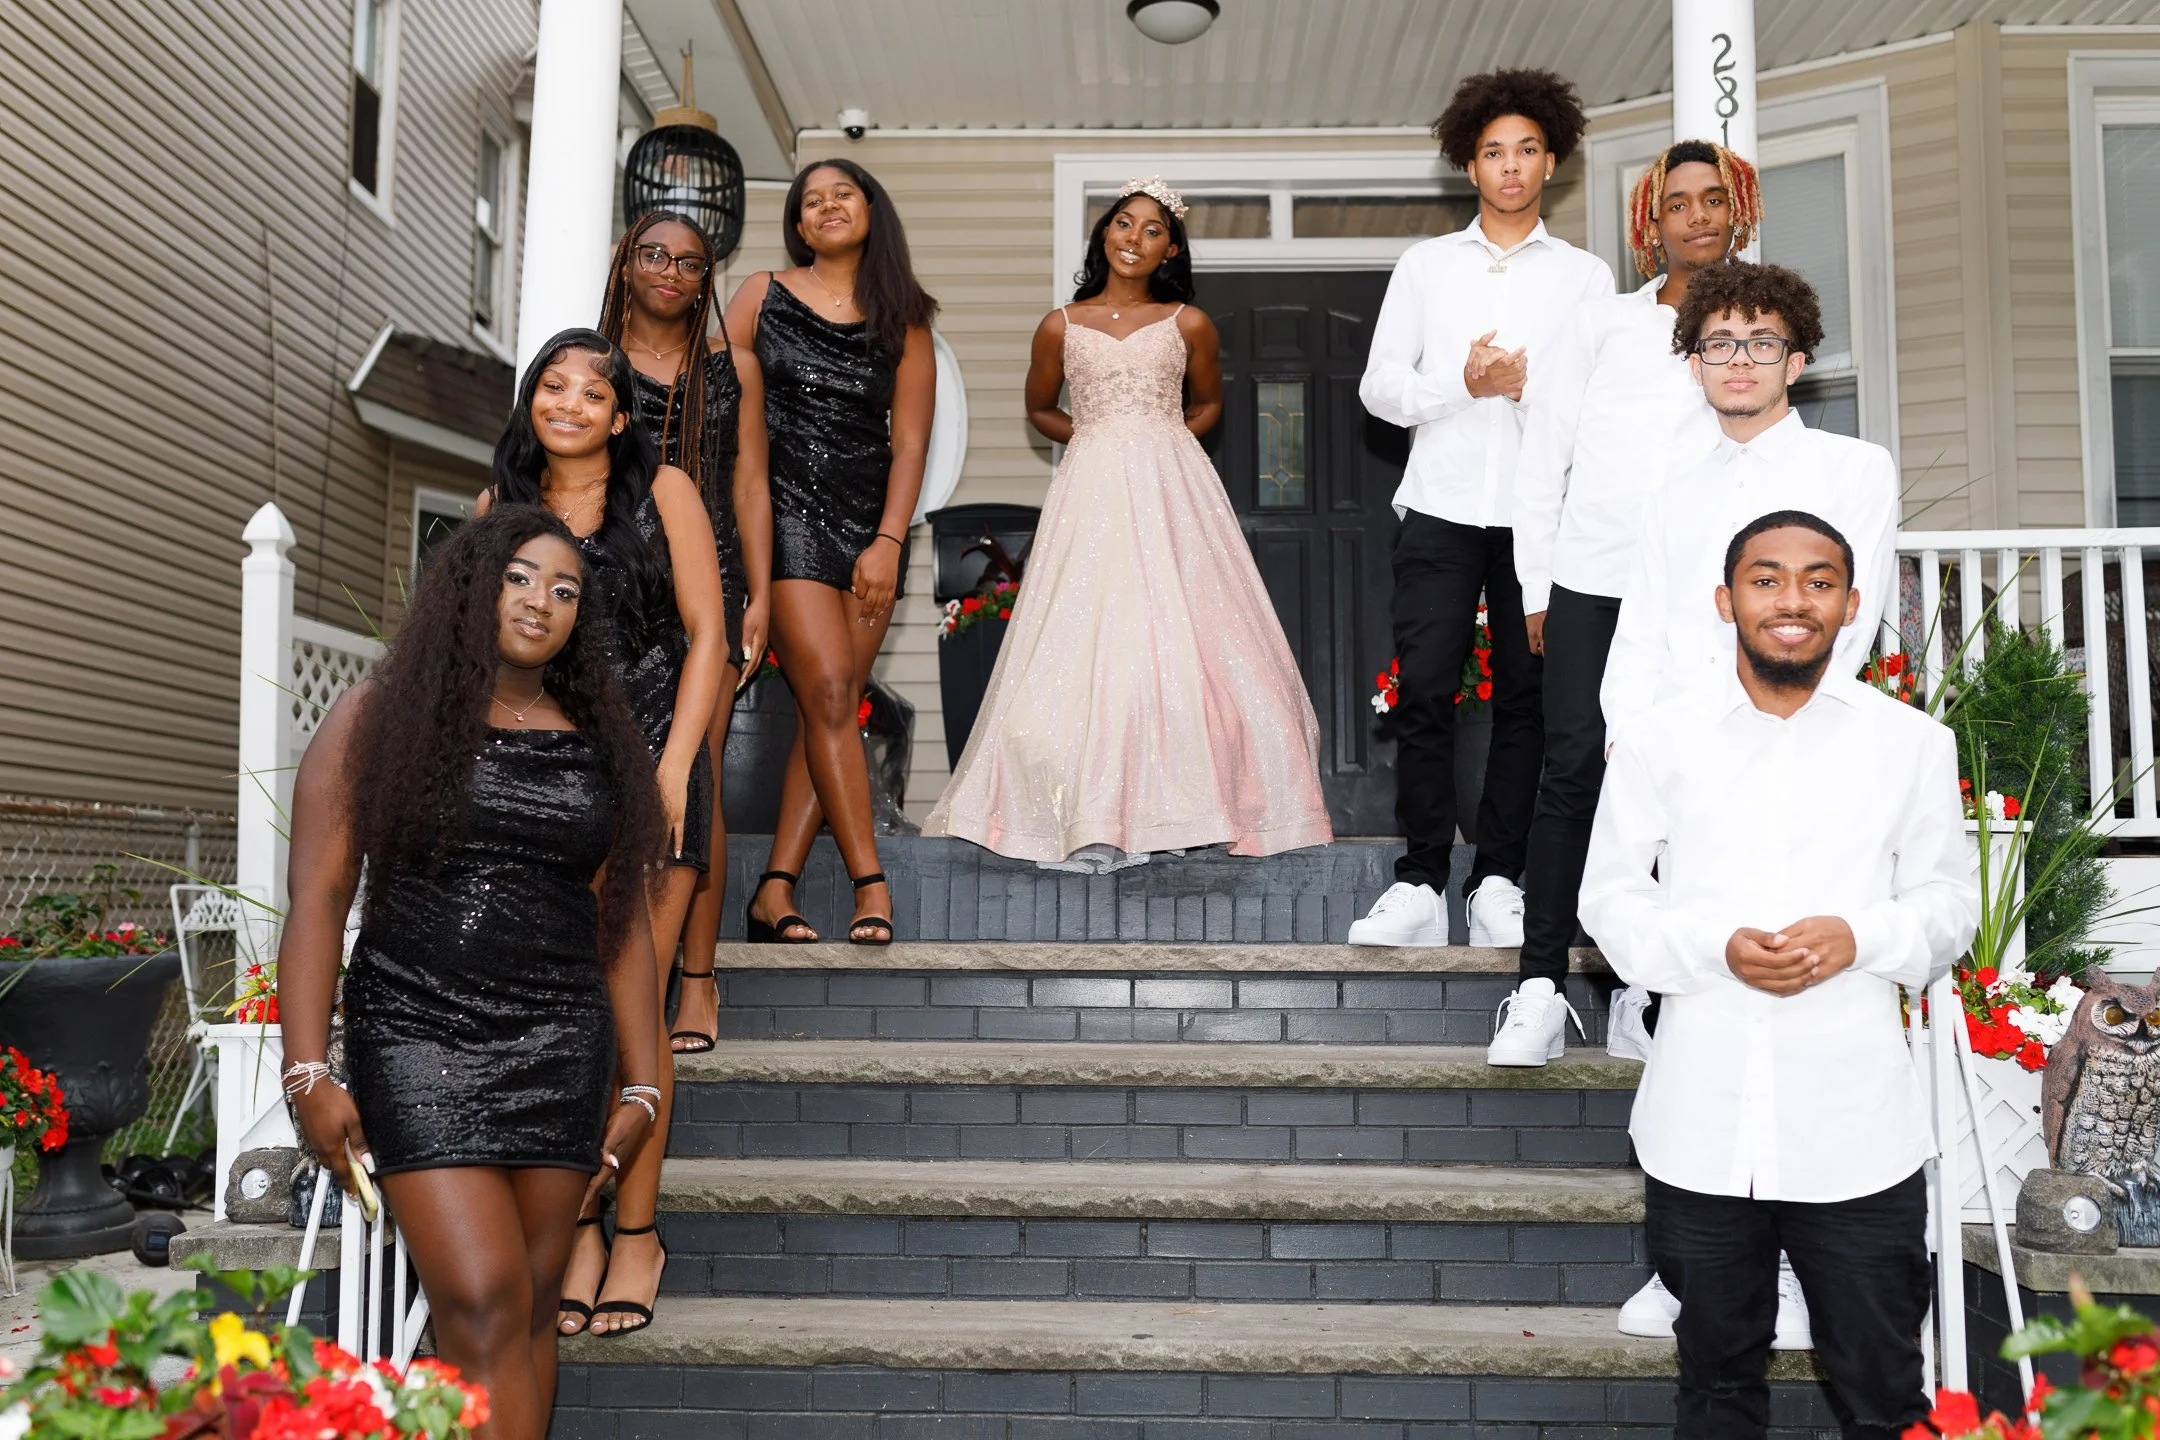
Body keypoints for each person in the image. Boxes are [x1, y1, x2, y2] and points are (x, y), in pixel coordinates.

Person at [1579, 511, 1977, 1440]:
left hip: (1858, 1134)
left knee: (1883, 1391)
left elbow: (1948, 905)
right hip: (1702, 1126)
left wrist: (1860, 935)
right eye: (1766, 579)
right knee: (1715, 1385)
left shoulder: (1912, 745)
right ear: (1726, 601)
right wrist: (1715, 947)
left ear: (1850, 604)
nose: (1791, 599)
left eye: (1817, 580)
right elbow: (1609, 902)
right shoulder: (1658, 741)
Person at [280, 506, 666, 1440]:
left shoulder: (600, 742)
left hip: (559, 1045)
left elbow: (622, 928)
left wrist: (647, 1086)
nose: (542, 601)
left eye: (565, 589)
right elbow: (320, 901)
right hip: (418, 1038)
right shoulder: (377, 717)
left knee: (532, 1311)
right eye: (520, 578)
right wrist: (307, 1072)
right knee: (485, 1302)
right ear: (474, 586)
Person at [1598, 262, 1900, 1345]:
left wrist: (1766, 728)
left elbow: (1840, 629)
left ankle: (1789, 1277)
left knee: (1798, 996)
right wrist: (1639, 748)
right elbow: (1639, 640)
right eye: (1718, 342)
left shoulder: (1853, 467)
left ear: (1797, 360)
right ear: (1693, 361)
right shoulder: (1671, 490)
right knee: (1692, 1013)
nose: (1738, 360)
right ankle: (1690, 1269)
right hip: (1685, 771)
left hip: (1804, 756)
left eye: (1759, 342)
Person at [923, 179, 1332, 865]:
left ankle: (1194, 807)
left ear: (1170, 247)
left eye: (1151, 230)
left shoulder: (1188, 323)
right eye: (1122, 223)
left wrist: (1167, 439)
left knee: (1184, 629)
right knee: (1093, 626)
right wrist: (1092, 436)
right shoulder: (1061, 322)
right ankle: (1086, 808)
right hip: (1093, 481)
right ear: (1103, 233)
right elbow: (1039, 407)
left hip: (1172, 480)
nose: (1133, 238)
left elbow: (1209, 406)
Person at [1489, 140, 1761, 1068]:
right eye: (1677, 202)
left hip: (1701, 595)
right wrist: (1533, 588)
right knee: (1572, 770)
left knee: (1680, 784)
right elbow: (1544, 458)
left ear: (1736, 212)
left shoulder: (1751, 334)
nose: (1696, 215)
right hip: (1591, 581)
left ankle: (1644, 993)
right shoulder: (1603, 324)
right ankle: (1536, 986)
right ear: (1654, 222)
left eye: (1711, 199)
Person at [479, 329, 728, 1338]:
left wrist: (674, 771)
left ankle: (634, 1230)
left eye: (595, 390)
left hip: (654, 768)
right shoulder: (501, 512)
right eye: (554, 383)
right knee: (567, 1013)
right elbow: (474, 652)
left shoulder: (662, 492)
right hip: (544, 784)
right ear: (531, 399)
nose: (572, 401)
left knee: (633, 1015)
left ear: (622, 417)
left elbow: (710, 634)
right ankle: (577, 1220)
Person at [1352, 68, 1614, 949]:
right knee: (1424, 688)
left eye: (1527, 151)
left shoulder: (1585, 277)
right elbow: (1380, 388)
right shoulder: (1426, 267)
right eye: (1494, 152)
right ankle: (1422, 880)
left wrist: (1528, 391)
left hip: (1543, 519)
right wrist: (1461, 384)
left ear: (1551, 163)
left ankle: (1497, 877)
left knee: (1528, 697)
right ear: (1471, 165)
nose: (1510, 167)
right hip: (1440, 506)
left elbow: (1595, 402)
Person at [723, 158, 936, 945]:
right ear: (799, 225)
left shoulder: (905, 318)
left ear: (871, 210)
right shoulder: (761, 294)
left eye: (841, 193)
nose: (826, 206)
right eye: (811, 201)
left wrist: (887, 540)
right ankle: (869, 882)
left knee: (831, 705)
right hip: (782, 518)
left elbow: (910, 443)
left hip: (869, 530)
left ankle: (773, 889)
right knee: (833, 694)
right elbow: (710, 393)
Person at [596, 208, 775, 1053]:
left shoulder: (731, 365)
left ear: (707, 280)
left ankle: (695, 978)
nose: (670, 270)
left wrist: (761, 595)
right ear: (627, 264)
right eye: (654, 254)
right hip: (613, 577)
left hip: (712, 581)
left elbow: (749, 486)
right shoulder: (587, 362)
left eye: (691, 262)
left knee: (697, 771)